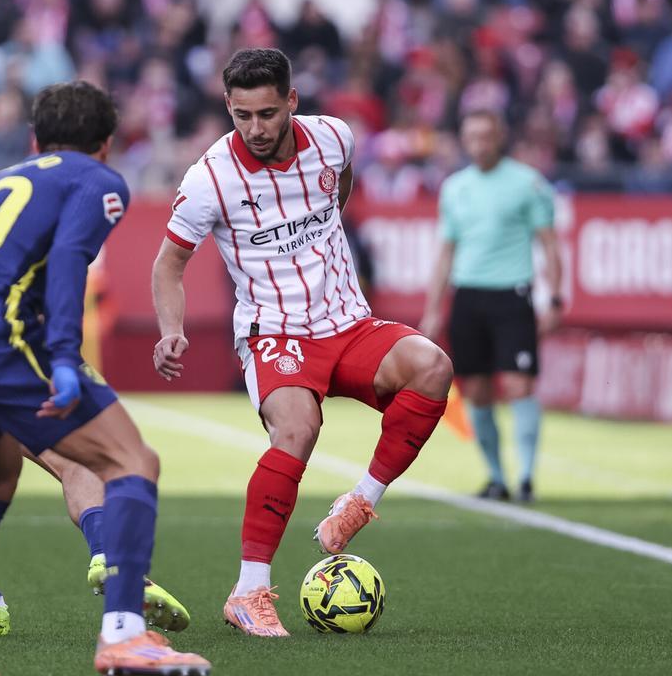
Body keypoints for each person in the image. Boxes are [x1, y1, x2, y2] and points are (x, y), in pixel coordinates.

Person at [0, 81, 211, 676]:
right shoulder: (98, 180)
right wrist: (61, 358)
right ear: (105, 145)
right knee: (132, 462)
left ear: (34, 140)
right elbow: (68, 262)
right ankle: (125, 636)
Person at [151, 48, 453, 638]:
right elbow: (168, 265)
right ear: (228, 107)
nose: (255, 129)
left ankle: (361, 501)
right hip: (276, 330)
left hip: (349, 322)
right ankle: (250, 590)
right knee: (296, 429)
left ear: (292, 101)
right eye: (241, 115)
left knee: (433, 367)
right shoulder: (209, 178)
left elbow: (339, 190)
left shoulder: (335, 138)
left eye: (267, 113)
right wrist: (171, 330)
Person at [419, 110, 563, 503]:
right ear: (465, 140)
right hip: (468, 296)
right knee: (477, 391)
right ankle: (497, 477)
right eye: (473, 137)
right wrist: (434, 307)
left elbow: (549, 243)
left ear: (500, 136)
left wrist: (555, 296)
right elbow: (446, 251)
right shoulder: (454, 188)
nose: (480, 144)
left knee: (519, 384)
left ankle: (528, 476)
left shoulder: (527, 183)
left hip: (512, 294)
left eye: (487, 135)